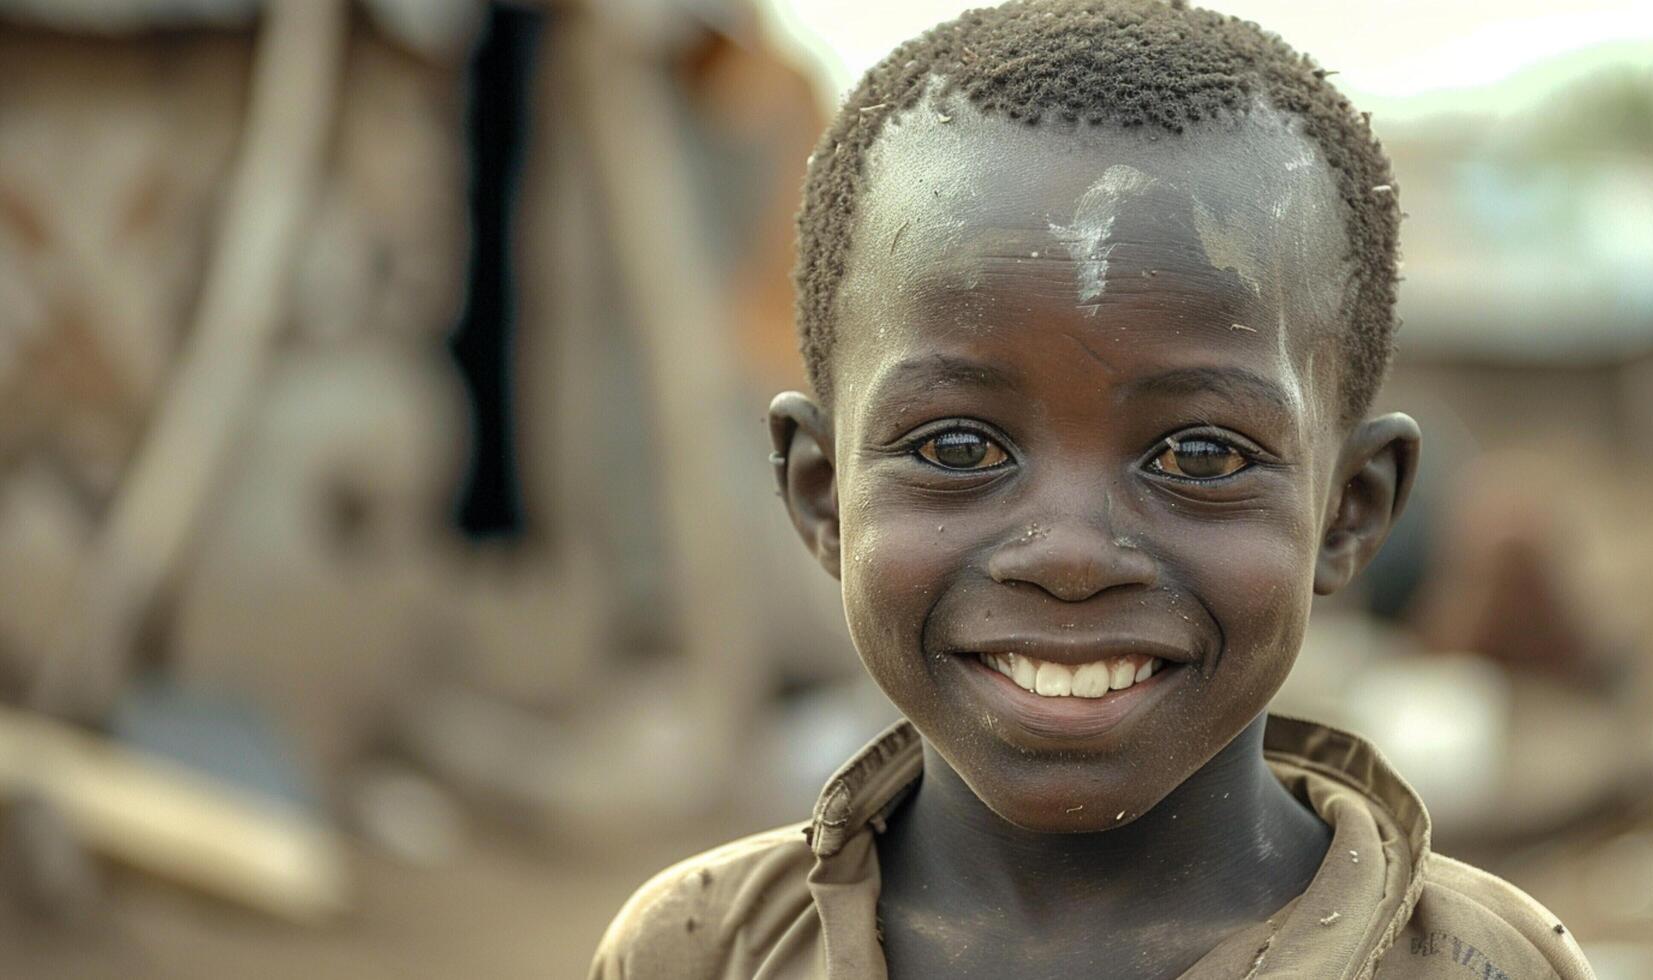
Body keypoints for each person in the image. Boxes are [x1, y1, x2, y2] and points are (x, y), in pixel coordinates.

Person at [591, 1, 1595, 976]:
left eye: (1200, 456)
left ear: (1350, 508)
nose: (1070, 552)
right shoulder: (697, 949)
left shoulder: (1487, 965)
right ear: (821, 492)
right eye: (956, 446)